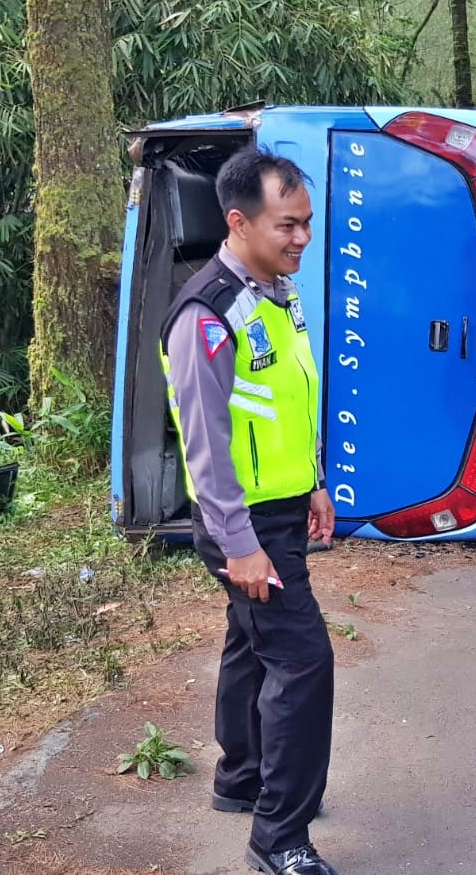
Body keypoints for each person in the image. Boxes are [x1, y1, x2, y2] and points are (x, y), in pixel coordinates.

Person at [158, 147, 339, 875]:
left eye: (307, 224)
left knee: (249, 640)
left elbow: (287, 399)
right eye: (286, 225)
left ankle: (243, 781)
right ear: (238, 221)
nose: (301, 239)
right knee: (303, 662)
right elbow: (206, 448)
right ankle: (281, 837)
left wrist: (315, 482)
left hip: (282, 509)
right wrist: (238, 545)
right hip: (245, 524)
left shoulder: (275, 292)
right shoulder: (208, 315)